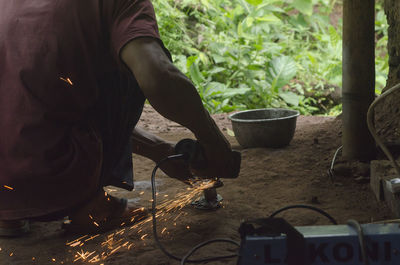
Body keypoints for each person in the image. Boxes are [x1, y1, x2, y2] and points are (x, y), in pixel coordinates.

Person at [0, 0, 240, 236]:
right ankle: (89, 207)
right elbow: (157, 76)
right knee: (131, 62)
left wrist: (160, 150)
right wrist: (213, 140)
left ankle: (8, 215)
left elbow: (34, 104)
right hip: (53, 178)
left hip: (7, 183)